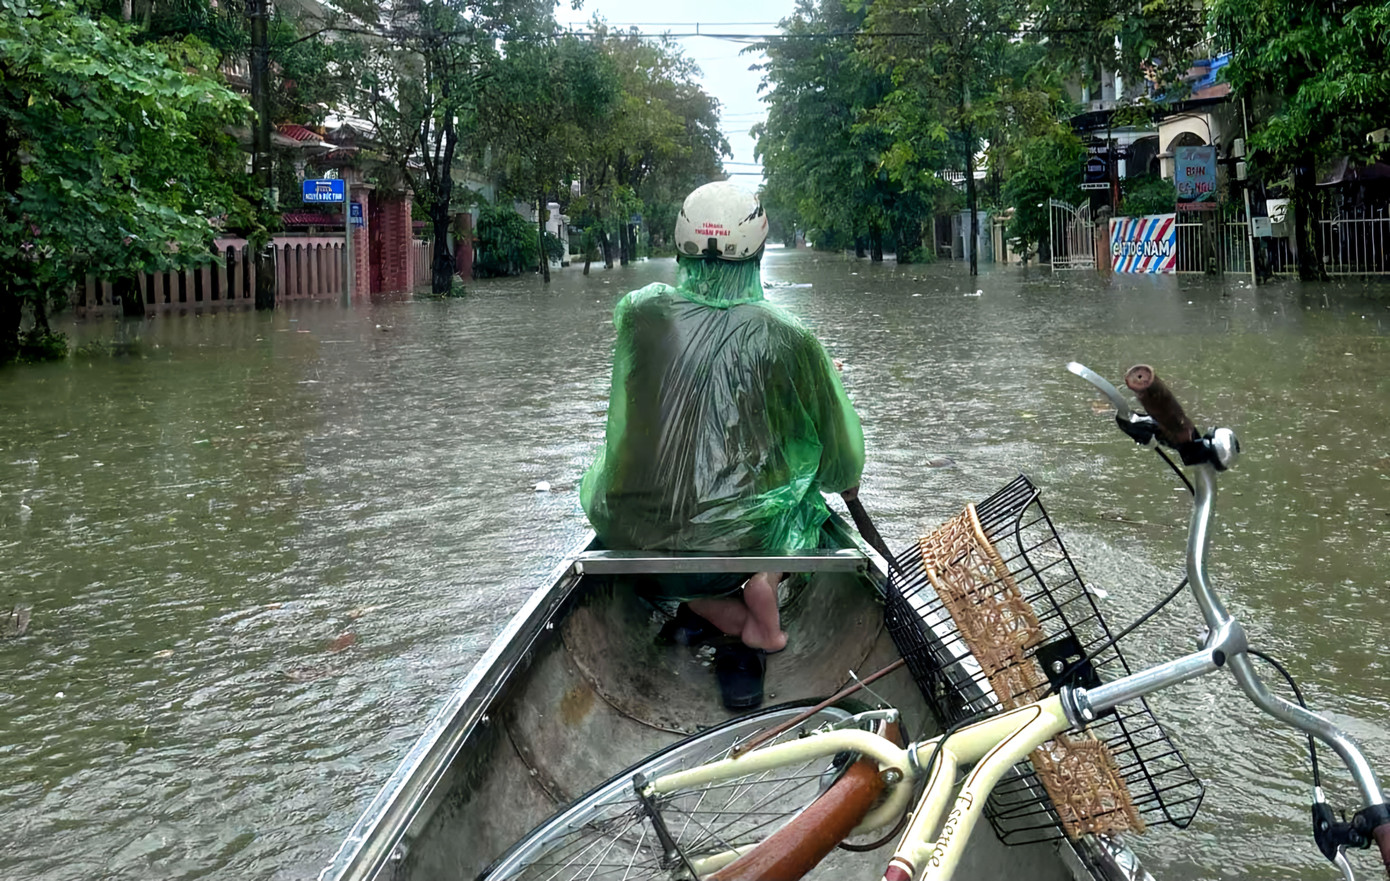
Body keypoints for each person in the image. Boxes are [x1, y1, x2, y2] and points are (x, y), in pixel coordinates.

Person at [579, 181, 865, 709]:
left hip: (632, 538)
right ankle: (761, 598)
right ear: (758, 248)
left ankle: (718, 611)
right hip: (737, 550)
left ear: (679, 245)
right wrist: (816, 379)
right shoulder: (790, 337)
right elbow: (841, 465)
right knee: (807, 497)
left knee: (662, 521)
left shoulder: (640, 313)